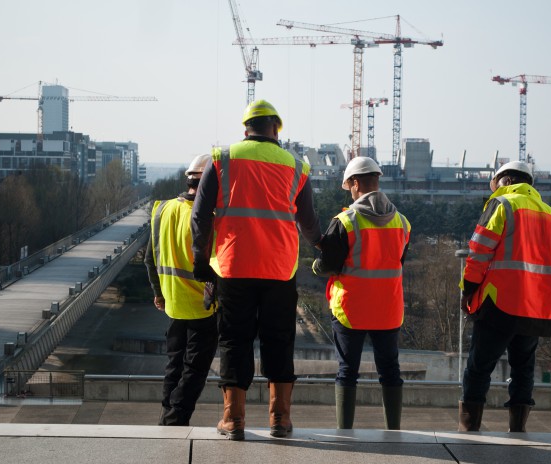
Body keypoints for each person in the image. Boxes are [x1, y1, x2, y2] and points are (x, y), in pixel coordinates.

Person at [190, 99, 322, 441]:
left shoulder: (222, 158)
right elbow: (308, 224)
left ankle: (233, 421)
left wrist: (201, 261)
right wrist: (327, 248)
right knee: (279, 340)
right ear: (276, 128)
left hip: (234, 267)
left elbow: (200, 218)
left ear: (246, 128)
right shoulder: (296, 165)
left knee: (235, 339)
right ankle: (280, 420)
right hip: (279, 269)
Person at [458, 160, 551, 432]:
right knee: (523, 369)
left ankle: (469, 428)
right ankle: (518, 430)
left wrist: (467, 291)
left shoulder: (502, 206)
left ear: (504, 181)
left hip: (500, 304)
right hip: (536, 308)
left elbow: (478, 253)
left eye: (493, 184)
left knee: (479, 366)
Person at [312, 156, 411, 430]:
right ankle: (394, 431)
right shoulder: (402, 223)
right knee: (390, 371)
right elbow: (397, 263)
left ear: (355, 183)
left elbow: (328, 265)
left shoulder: (346, 221)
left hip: (351, 310)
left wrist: (316, 265)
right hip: (388, 310)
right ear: (377, 181)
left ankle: (345, 432)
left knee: (347, 372)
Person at [144, 154, 219, 426]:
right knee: (194, 371)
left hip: (173, 305)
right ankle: (174, 420)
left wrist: (158, 292)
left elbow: (150, 258)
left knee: (174, 367)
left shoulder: (161, 210)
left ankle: (167, 415)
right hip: (203, 308)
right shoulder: (208, 218)